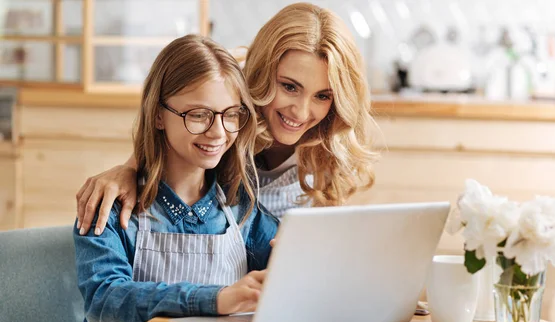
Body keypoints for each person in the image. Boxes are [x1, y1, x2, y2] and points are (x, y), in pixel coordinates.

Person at [74, 34, 278, 322]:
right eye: (198, 115)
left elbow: (287, 277)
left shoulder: (241, 210)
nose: (218, 132)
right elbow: (104, 307)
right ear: (157, 115)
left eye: (231, 115)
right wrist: (215, 300)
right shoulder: (110, 207)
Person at [76, 2, 379, 235]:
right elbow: (156, 152)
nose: (300, 112)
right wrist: (127, 171)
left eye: (322, 96)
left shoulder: (328, 143)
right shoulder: (223, 111)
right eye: (289, 87)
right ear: (261, 73)